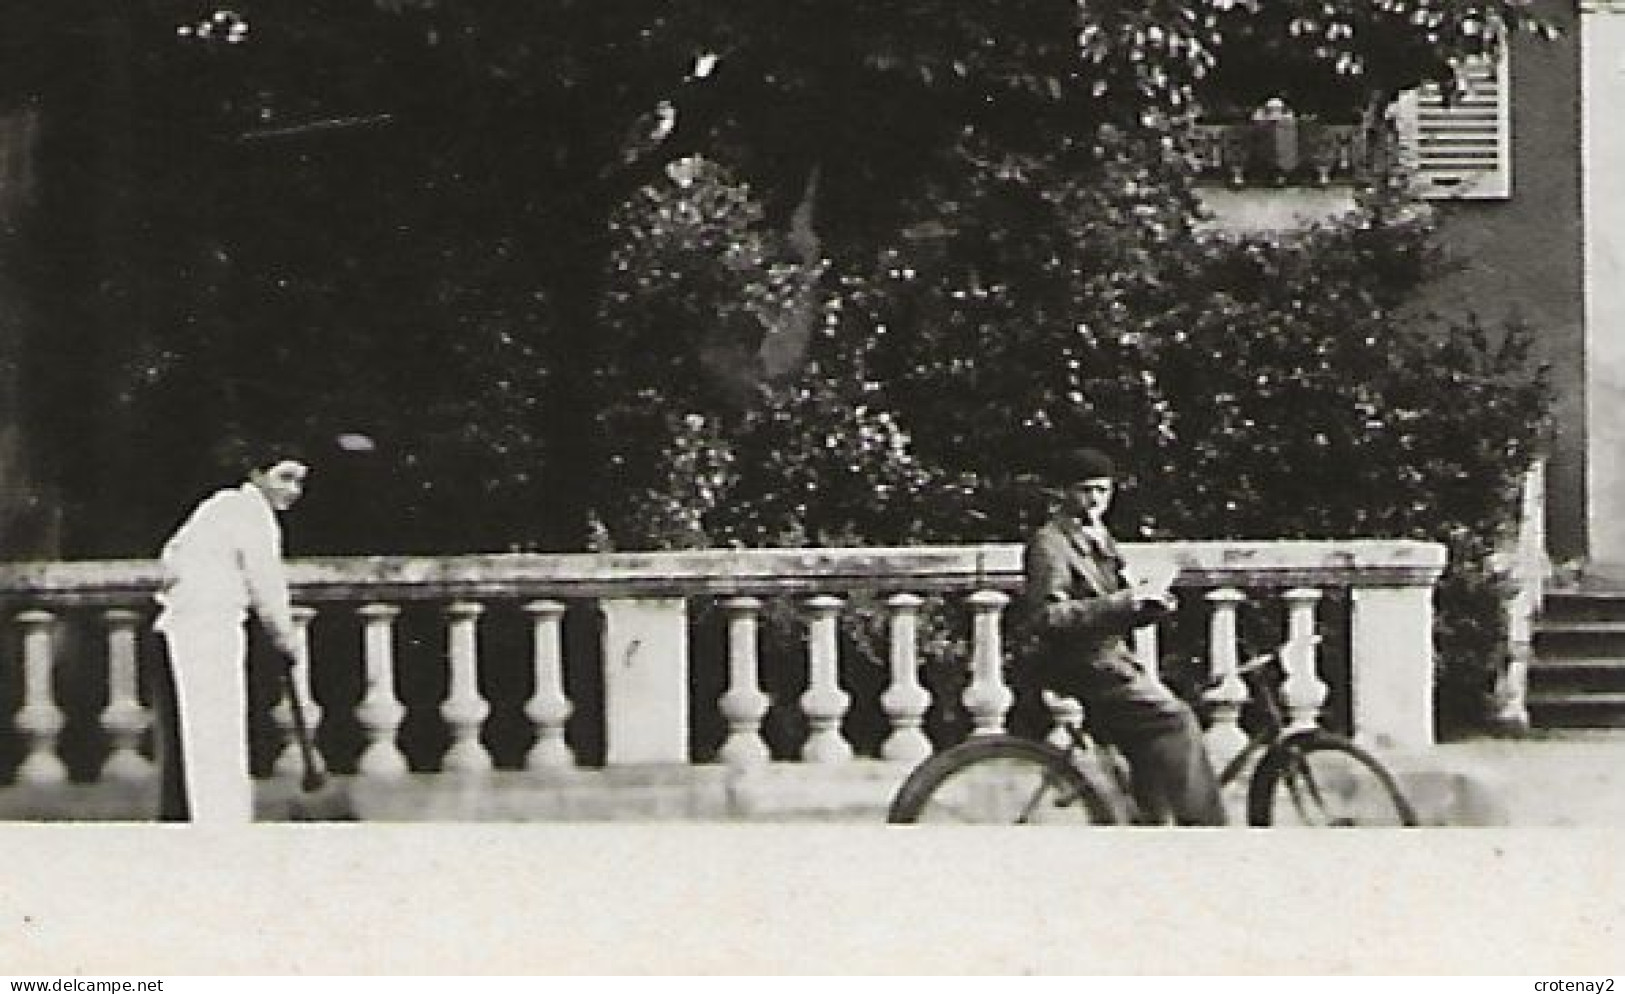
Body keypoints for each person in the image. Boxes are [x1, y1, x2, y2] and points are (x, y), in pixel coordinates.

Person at [1020, 446, 1228, 826]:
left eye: (1103, 490)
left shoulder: (1099, 536)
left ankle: (1151, 819)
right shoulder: (1049, 543)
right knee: (1176, 721)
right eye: (1085, 490)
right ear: (1064, 493)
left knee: (1149, 736)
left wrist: (1149, 606)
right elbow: (1047, 617)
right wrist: (1124, 603)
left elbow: (1116, 606)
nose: (1096, 499)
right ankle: (1206, 831)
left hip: (1108, 661)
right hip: (1082, 665)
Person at [150, 444, 310, 824]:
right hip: (210, 625)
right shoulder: (253, 515)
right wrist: (284, 637)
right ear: (256, 475)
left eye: (300, 482)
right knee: (217, 723)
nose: (293, 490)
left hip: (185, 624)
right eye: (284, 478)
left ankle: (205, 812)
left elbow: (170, 558)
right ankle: (221, 816)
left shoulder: (216, 507)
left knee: (201, 722)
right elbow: (267, 584)